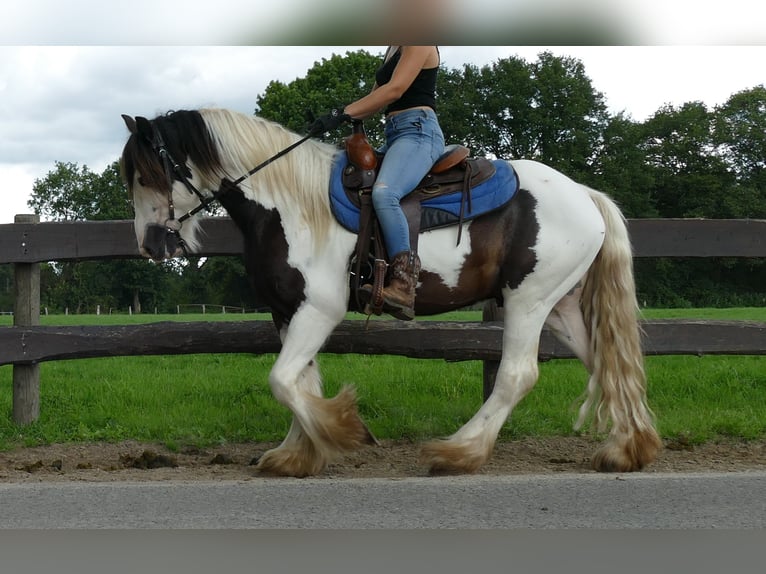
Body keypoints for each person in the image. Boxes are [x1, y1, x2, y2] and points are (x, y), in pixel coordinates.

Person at [310, 46, 445, 320]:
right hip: (396, 133)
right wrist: (335, 118)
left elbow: (395, 90)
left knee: (385, 194)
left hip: (419, 131)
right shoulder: (392, 46)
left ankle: (404, 285)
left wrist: (342, 112)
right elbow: (375, 98)